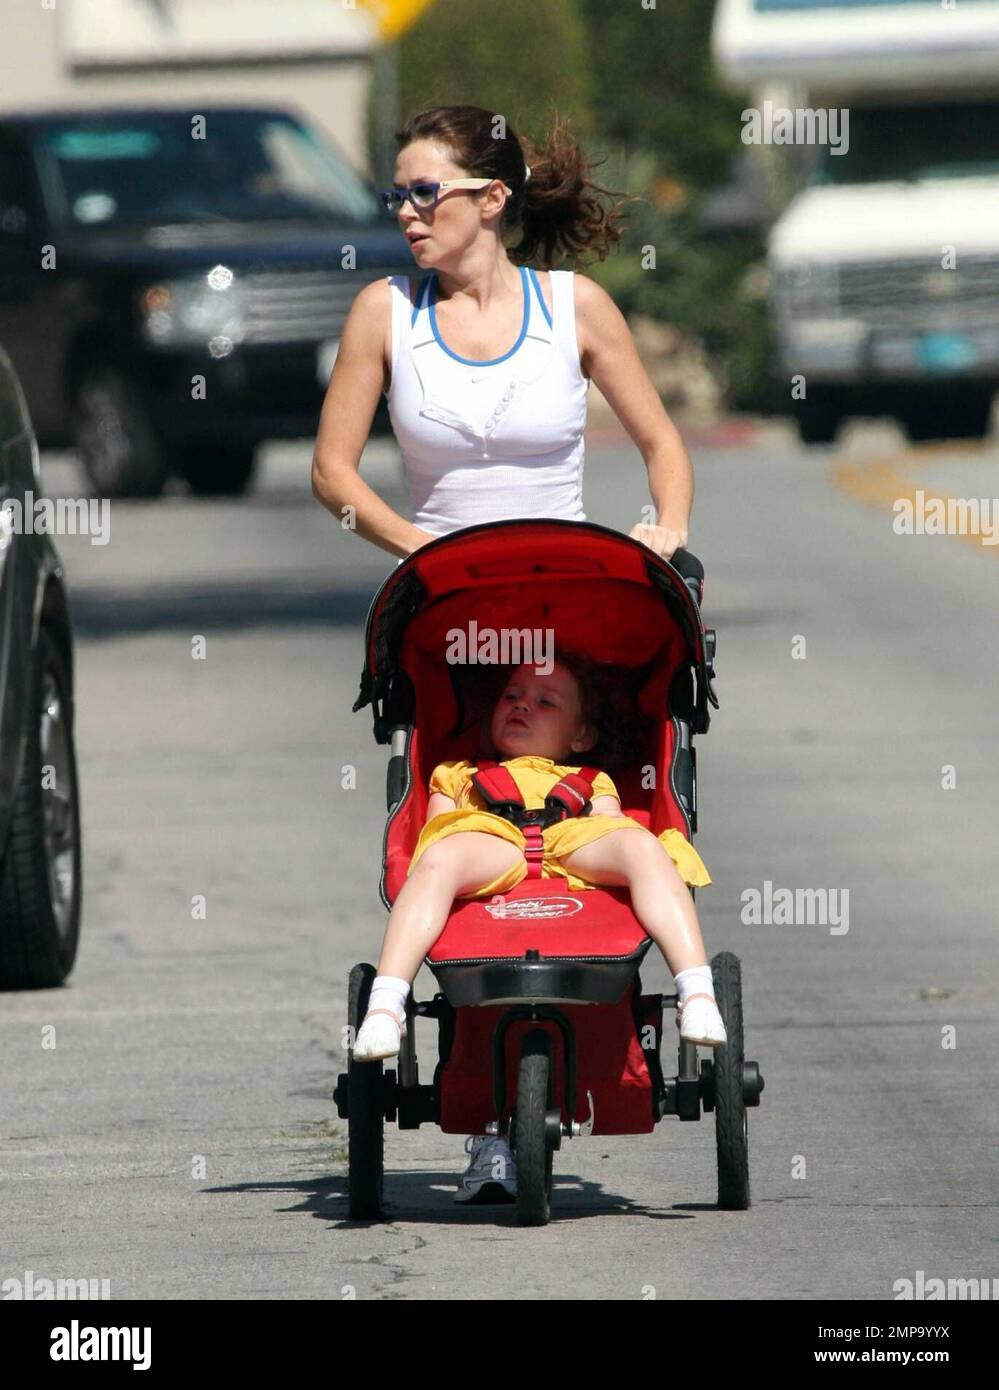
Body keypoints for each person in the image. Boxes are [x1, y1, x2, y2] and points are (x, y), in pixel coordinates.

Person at [311, 103, 701, 1200]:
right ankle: (483, 1102)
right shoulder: (383, 314)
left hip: (569, 608)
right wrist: (415, 546)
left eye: (423, 191)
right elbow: (334, 474)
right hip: (451, 614)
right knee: (465, 823)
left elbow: (664, 443)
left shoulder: (572, 309)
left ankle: (616, 1015)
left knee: (588, 815)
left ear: (491, 200)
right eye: (395, 193)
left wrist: (662, 534)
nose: (405, 213)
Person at [351, 657, 727, 1200]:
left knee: (642, 846)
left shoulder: (590, 779)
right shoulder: (456, 775)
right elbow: (435, 833)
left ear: (581, 736)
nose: (523, 704)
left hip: (571, 842)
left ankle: (697, 990)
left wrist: (620, 845)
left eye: (545, 701)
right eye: (512, 695)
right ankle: (387, 1005)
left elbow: (607, 825)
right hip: (490, 840)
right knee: (436, 860)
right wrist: (447, 847)